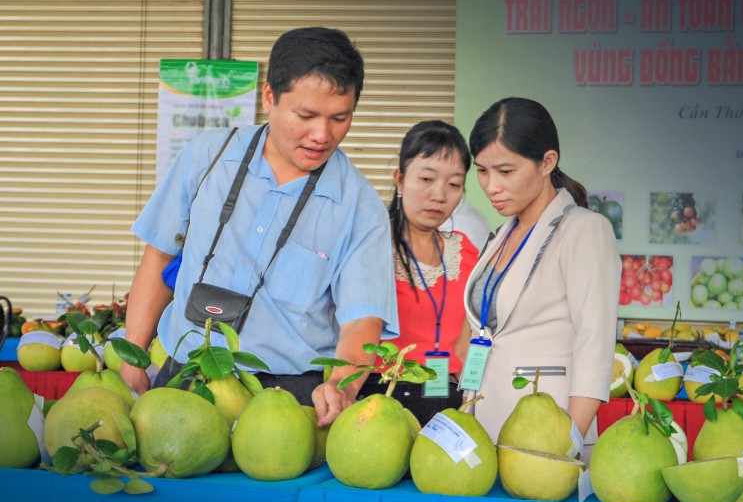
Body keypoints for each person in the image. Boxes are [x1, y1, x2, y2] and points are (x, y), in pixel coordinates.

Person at [120, 27, 399, 427]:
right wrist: (134, 353)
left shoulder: (361, 207)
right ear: (269, 97)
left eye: (340, 117)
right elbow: (159, 257)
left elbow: (362, 318)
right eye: (306, 116)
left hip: (287, 400)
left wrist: (343, 384)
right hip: (182, 380)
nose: (322, 135)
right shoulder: (207, 157)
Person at [456, 97, 621, 459]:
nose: (491, 186)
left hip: (546, 434)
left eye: (505, 171)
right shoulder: (499, 235)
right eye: (482, 171)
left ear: (547, 162)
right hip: (481, 426)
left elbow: (595, 344)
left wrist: (567, 443)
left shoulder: (584, 230)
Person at [357, 120, 477, 427]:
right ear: (399, 179)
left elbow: (469, 339)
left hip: (448, 398)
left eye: (453, 184)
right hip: (381, 396)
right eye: (426, 178)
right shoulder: (370, 247)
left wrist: (472, 392)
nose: (439, 195)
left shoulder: (466, 253)